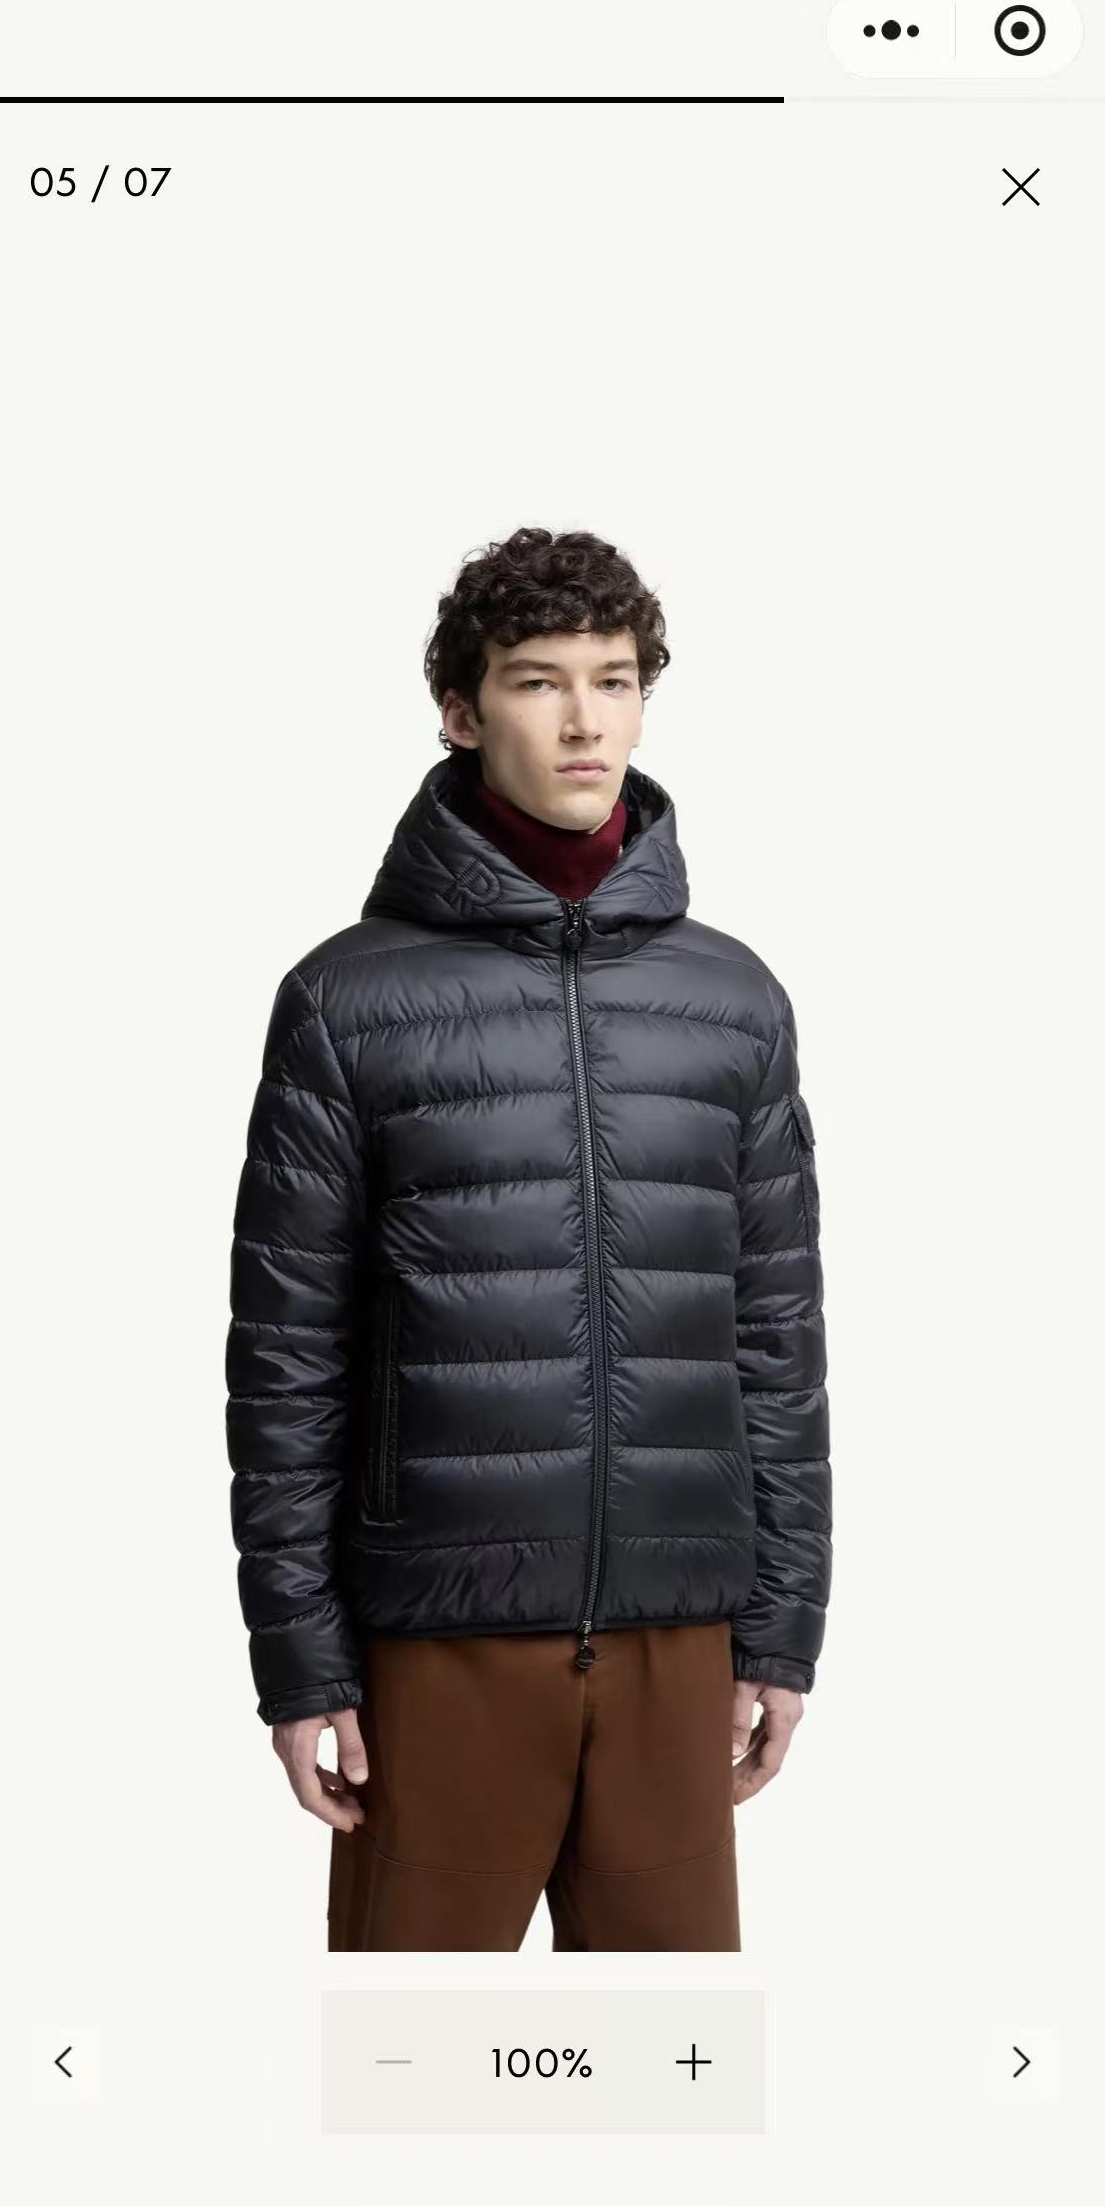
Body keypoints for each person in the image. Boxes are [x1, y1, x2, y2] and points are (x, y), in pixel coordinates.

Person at [224, 524, 831, 1951]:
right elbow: (288, 1355)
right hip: (437, 1642)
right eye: (537, 681)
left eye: (613, 682)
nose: (582, 722)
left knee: (675, 2066)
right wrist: (301, 1661)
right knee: (409, 2063)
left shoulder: (732, 1002)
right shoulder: (347, 1003)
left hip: (677, 1636)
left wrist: (780, 1625)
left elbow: (775, 1335)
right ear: (459, 709)